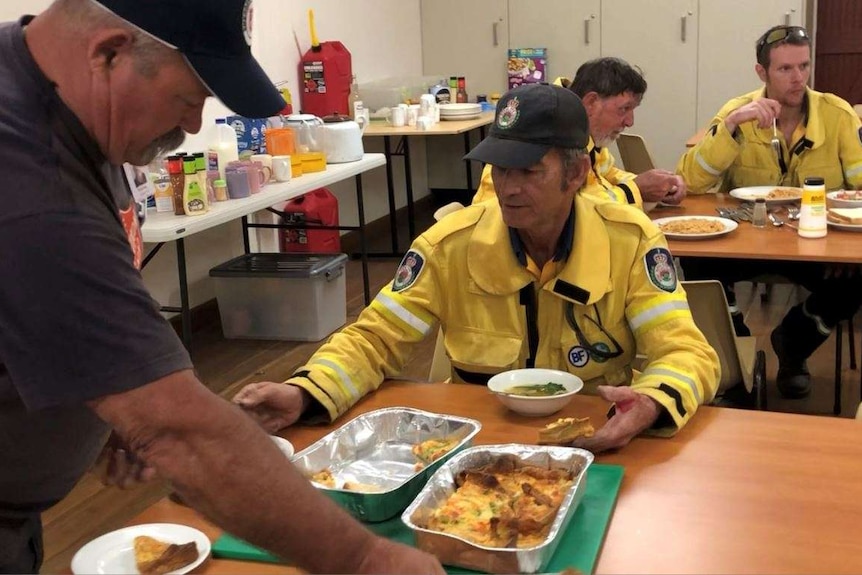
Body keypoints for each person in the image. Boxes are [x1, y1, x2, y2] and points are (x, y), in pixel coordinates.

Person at [0, 1, 444, 573]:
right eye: (190, 99)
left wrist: (107, 389)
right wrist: (364, 559)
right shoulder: (28, 181)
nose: (190, 126)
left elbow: (72, 299)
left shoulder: (72, 105)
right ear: (109, 53)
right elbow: (180, 432)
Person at [234, 84, 720, 454]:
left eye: (529, 171)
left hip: (595, 440)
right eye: (500, 168)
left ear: (577, 175)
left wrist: (653, 400)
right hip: (474, 443)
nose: (508, 187)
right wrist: (304, 391)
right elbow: (374, 339)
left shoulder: (631, 242)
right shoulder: (450, 245)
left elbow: (685, 350)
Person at [676, 25, 862, 399]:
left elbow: (860, 190)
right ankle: (735, 362)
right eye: (785, 69)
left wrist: (849, 242)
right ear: (761, 73)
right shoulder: (737, 112)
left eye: (803, 66)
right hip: (745, 240)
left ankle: (793, 346)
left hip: (814, 244)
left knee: (857, 278)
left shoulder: (838, 115)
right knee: (698, 266)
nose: (798, 78)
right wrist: (730, 127)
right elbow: (691, 181)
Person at [472, 57, 687, 209]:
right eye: (624, 109)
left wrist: (658, 183)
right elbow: (580, 208)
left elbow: (606, 176)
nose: (630, 122)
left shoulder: (583, 130)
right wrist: (637, 189)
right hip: (502, 239)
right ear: (591, 102)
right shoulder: (550, 132)